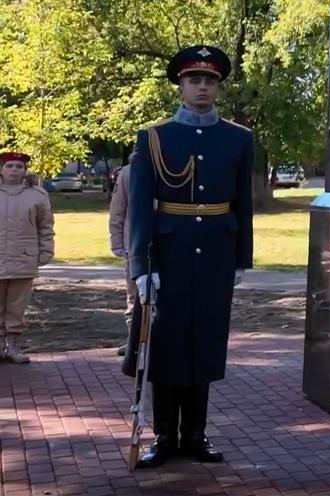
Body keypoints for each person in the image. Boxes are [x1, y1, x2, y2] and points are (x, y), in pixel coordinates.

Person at [128, 45, 254, 467]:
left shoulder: (239, 138)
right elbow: (141, 206)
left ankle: (196, 434)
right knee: (165, 346)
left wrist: (240, 258)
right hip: (169, 254)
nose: (202, 87)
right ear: (180, 86)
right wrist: (142, 267)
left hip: (216, 253)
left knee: (204, 343)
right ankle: (164, 436)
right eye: (194, 80)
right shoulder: (154, 137)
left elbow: (244, 203)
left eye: (210, 81)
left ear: (218, 87)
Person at [0, 151, 54, 364]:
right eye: (10, 166)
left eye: (19, 167)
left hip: (23, 258)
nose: (14, 170)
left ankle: (13, 345)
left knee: (17, 306)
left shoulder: (37, 196)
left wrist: (46, 250)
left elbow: (46, 226)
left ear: (25, 170)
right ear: (1, 169)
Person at [108, 160, 137, 356]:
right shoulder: (128, 173)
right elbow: (117, 210)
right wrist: (117, 242)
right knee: (135, 295)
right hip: (134, 244)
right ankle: (133, 341)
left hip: (170, 243)